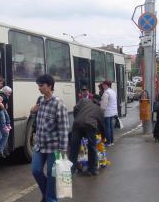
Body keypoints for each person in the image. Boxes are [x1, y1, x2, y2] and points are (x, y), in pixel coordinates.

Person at [30, 74, 69, 202]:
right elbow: (34, 116)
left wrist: (63, 152)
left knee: (53, 177)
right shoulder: (40, 101)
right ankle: (48, 194)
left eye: (41, 86)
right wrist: (33, 110)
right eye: (38, 86)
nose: (39, 88)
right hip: (39, 146)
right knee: (36, 170)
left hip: (54, 148)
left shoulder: (59, 104)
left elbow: (63, 129)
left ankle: (50, 199)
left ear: (50, 86)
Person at [70, 94, 104, 176]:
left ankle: (71, 171)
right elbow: (101, 125)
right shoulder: (99, 110)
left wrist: (77, 117)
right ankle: (92, 170)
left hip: (77, 124)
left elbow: (75, 108)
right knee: (92, 147)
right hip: (90, 126)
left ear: (92, 99)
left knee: (74, 149)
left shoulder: (84, 100)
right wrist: (102, 136)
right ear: (99, 102)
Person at [100, 80, 118, 146]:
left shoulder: (106, 93)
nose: (102, 86)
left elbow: (104, 104)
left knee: (107, 127)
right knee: (111, 127)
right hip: (113, 112)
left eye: (103, 85)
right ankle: (112, 141)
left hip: (107, 112)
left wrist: (101, 111)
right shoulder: (113, 91)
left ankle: (108, 142)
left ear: (106, 85)